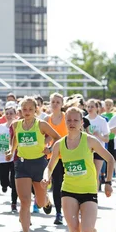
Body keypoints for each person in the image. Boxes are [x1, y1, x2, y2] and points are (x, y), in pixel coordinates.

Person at [44, 106, 115, 232]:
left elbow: (110, 159)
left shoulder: (90, 141)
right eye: (69, 120)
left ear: (82, 123)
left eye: (76, 120)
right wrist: (47, 177)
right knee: (73, 229)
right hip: (68, 190)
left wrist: (108, 182)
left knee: (86, 229)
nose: (72, 123)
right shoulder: (59, 144)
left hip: (88, 190)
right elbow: (50, 165)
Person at [6, 97, 60, 232]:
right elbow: (14, 139)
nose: (27, 112)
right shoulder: (16, 124)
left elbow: (57, 138)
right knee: (24, 202)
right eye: (24, 110)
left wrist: (49, 148)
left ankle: (47, 201)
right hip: (22, 164)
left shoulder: (41, 124)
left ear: (36, 109)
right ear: (20, 111)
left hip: (39, 164)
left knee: (41, 203)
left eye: (30, 109)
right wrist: (11, 151)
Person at [46, 93, 68, 224]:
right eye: (53, 101)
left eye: (57, 102)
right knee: (56, 184)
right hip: (53, 156)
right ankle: (58, 213)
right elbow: (43, 138)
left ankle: (72, 209)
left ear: (62, 104)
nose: (55, 104)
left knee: (68, 185)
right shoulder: (46, 120)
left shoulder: (67, 118)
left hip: (68, 155)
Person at [0, 102, 18, 213]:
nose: (9, 115)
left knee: (14, 182)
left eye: (11, 113)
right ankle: (5, 185)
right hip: (2, 157)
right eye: (7, 113)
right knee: (3, 180)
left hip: (14, 157)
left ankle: (13, 203)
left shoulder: (18, 126)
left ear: (15, 114)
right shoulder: (0, 127)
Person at [85, 99, 110, 189]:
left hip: (99, 150)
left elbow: (107, 139)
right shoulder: (84, 120)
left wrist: (99, 136)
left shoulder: (102, 121)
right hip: (87, 150)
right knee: (87, 173)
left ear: (97, 108)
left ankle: (94, 196)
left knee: (96, 173)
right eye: (88, 106)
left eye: (92, 106)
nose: (90, 108)